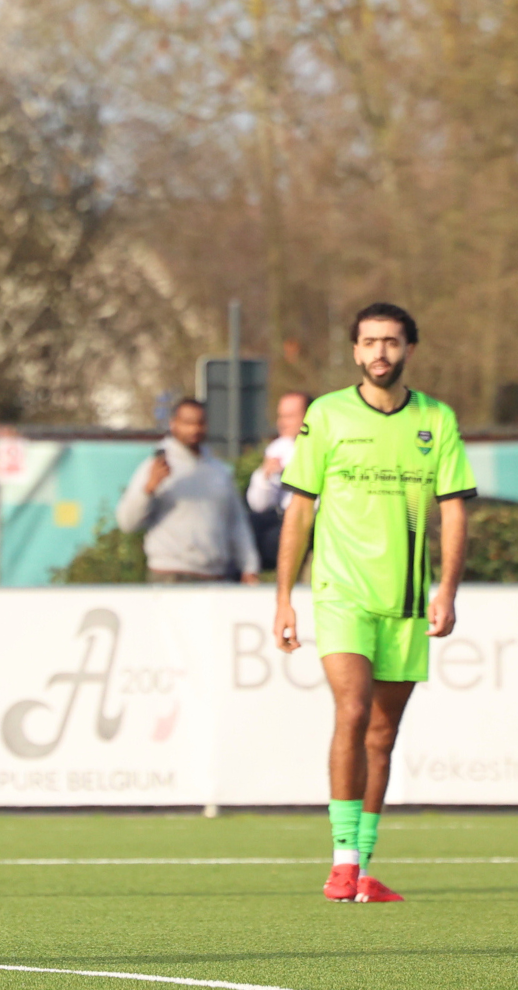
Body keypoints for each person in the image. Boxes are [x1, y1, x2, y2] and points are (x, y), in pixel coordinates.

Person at [275, 303, 475, 904]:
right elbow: (300, 509)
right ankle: (341, 861)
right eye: (369, 342)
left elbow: (454, 510)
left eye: (391, 341)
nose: (380, 351)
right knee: (354, 709)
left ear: (409, 348)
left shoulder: (435, 419)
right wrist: (284, 598)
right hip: (341, 592)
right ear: (356, 351)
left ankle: (362, 869)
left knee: (383, 736)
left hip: (406, 600)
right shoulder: (327, 414)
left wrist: (447, 590)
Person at [116, 398, 260, 583]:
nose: (194, 429)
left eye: (200, 423)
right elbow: (127, 523)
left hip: (216, 576)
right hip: (170, 574)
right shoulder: (157, 467)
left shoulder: (219, 471)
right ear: (173, 424)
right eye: (187, 423)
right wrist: (148, 489)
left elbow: (237, 523)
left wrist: (249, 567)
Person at [246, 392, 313, 566]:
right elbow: (259, 505)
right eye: (280, 416)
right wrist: (266, 476)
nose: (282, 423)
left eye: (289, 417)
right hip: (281, 518)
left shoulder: (322, 447)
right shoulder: (278, 447)